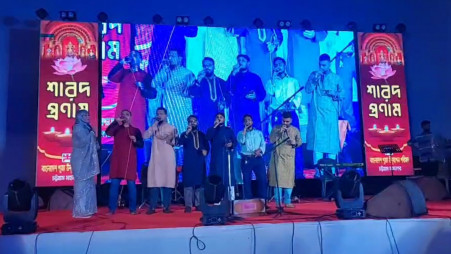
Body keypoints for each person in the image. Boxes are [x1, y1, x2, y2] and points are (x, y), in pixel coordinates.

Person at [305, 54, 342, 176]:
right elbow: (307, 90)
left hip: (330, 114)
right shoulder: (314, 75)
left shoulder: (336, 78)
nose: (322, 67)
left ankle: (331, 172)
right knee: (318, 144)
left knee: (331, 144)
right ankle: (318, 172)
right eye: (320, 65)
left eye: (324, 65)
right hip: (317, 116)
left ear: (329, 64)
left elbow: (343, 95)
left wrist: (333, 93)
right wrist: (314, 79)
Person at [105, 109, 144, 215]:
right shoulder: (116, 128)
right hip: (117, 160)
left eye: (127, 114)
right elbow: (108, 132)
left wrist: (136, 140)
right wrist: (115, 123)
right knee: (114, 185)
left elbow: (141, 145)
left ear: (131, 117)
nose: (125, 116)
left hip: (130, 160)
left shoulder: (135, 130)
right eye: (123, 115)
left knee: (131, 184)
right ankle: (112, 209)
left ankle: (132, 209)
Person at [108, 50, 156, 132]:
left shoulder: (146, 76)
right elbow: (111, 77)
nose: (132, 58)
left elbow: (153, 94)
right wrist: (121, 63)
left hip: (137, 110)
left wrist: (143, 87)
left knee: (136, 134)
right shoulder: (124, 73)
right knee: (121, 133)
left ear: (140, 60)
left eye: (135, 56)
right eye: (131, 56)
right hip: (123, 109)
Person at [152, 49, 195, 133]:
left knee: (182, 130)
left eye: (173, 56)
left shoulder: (187, 73)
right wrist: (164, 69)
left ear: (180, 58)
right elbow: (154, 84)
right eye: (169, 56)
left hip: (181, 108)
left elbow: (192, 93)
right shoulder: (166, 72)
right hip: (168, 107)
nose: (170, 58)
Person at [144, 107, 177, 214]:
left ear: (166, 115)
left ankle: (166, 206)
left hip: (167, 157)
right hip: (156, 157)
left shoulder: (171, 128)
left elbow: (166, 138)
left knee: (167, 181)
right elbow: (145, 136)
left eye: (161, 113)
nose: (159, 115)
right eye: (158, 113)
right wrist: (153, 126)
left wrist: (156, 129)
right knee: (154, 180)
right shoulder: (154, 127)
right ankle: (152, 206)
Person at [269, 112, 302, 208]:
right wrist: (279, 132)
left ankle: (287, 201)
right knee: (278, 181)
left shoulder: (295, 130)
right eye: (283, 121)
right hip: (278, 158)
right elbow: (271, 140)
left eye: (287, 121)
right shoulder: (276, 128)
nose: (285, 123)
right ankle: (278, 202)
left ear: (291, 120)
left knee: (289, 181)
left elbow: (300, 142)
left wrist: (294, 143)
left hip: (289, 159)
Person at [70, 110, 100, 218]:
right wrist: (92, 134)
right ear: (80, 117)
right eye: (85, 115)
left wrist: (92, 134)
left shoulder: (87, 127)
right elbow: (82, 142)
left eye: (88, 114)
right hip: (80, 160)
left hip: (87, 161)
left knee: (88, 185)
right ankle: (80, 211)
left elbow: (94, 144)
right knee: (81, 186)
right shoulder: (78, 128)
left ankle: (88, 209)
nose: (88, 116)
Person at [178, 115, 210, 213]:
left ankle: (198, 203)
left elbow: (207, 147)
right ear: (188, 123)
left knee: (199, 183)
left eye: (194, 121)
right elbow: (180, 142)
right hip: (188, 162)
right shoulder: (184, 134)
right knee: (188, 183)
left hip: (199, 162)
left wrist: (205, 151)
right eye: (190, 121)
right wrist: (187, 133)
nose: (193, 123)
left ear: (198, 122)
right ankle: (188, 205)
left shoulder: (202, 135)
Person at [189, 57, 230, 132]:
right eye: (205, 66)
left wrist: (224, 103)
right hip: (204, 114)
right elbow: (192, 94)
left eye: (209, 65)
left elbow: (228, 97)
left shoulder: (221, 82)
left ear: (214, 66)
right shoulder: (199, 82)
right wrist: (198, 80)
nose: (207, 67)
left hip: (218, 114)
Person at [228, 55, 266, 132]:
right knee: (240, 133)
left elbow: (262, 94)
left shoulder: (255, 77)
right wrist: (232, 74)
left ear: (248, 63)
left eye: (243, 60)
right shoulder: (234, 76)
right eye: (239, 60)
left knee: (254, 132)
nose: (240, 62)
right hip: (238, 110)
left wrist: (256, 96)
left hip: (252, 109)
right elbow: (228, 89)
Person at [237, 115, 267, 199]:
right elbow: (242, 141)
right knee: (246, 180)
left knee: (262, 179)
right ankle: (248, 200)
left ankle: (263, 200)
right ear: (243, 123)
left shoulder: (259, 133)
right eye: (245, 120)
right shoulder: (240, 133)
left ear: (252, 122)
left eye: (249, 120)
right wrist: (244, 131)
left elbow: (263, 144)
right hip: (246, 159)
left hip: (257, 158)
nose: (247, 122)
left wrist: (260, 150)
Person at [206, 113, 237, 187]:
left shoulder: (228, 130)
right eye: (217, 117)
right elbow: (207, 138)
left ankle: (229, 195)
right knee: (217, 176)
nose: (219, 119)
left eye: (221, 117)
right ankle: (217, 196)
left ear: (224, 119)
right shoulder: (211, 129)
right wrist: (214, 126)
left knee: (228, 175)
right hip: (216, 157)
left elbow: (235, 142)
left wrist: (231, 144)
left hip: (227, 157)